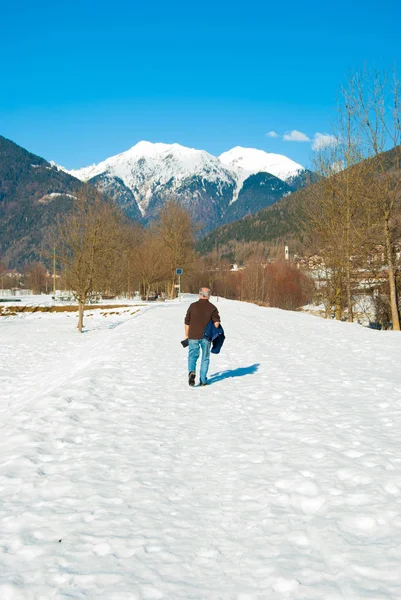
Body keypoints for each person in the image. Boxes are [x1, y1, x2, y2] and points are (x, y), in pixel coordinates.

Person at [184, 287, 220, 387]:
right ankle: (203, 380)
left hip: (193, 335)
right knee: (205, 358)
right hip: (206, 337)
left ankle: (191, 372)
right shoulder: (212, 307)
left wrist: (187, 335)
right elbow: (216, 323)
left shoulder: (192, 306)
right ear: (209, 295)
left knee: (192, 356)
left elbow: (187, 322)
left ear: (199, 294)